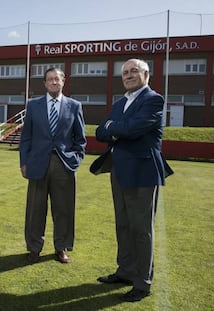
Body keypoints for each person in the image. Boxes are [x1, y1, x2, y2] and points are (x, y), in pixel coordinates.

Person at [94, 58, 173, 302]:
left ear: (146, 74)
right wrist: (117, 127)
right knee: (123, 225)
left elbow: (134, 129)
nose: (128, 75)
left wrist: (114, 127)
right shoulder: (120, 103)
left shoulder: (153, 99)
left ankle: (142, 281)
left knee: (141, 229)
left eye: (134, 71)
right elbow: (100, 132)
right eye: (125, 72)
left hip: (142, 171)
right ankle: (126, 271)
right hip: (119, 170)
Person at [19, 67, 86, 264]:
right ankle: (33, 248)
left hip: (64, 165)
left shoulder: (74, 106)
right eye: (50, 79)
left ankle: (61, 247)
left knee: (63, 209)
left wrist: (75, 160)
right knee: (35, 210)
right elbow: (26, 138)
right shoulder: (33, 105)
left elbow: (80, 140)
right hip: (37, 164)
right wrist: (24, 162)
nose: (54, 82)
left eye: (57, 79)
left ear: (63, 81)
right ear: (45, 83)